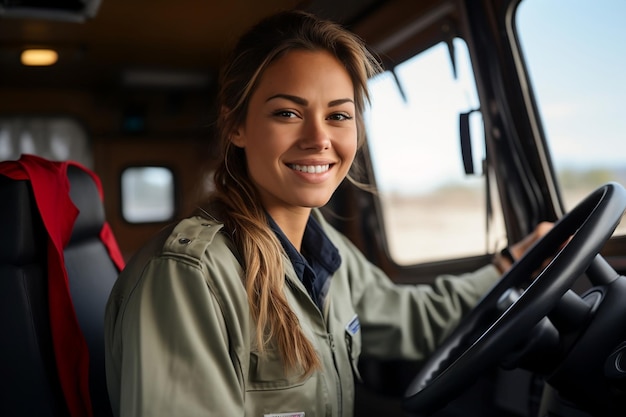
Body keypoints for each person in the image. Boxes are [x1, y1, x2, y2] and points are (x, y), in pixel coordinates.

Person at [104, 10, 551, 417]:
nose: (319, 138)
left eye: (338, 116)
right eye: (287, 113)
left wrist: (511, 265)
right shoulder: (188, 274)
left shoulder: (323, 248)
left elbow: (413, 317)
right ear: (236, 126)